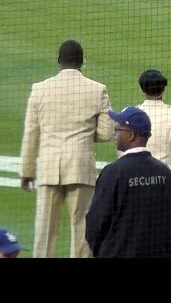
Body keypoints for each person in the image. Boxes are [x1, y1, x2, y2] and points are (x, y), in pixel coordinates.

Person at [20, 39, 113, 258]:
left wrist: (26, 172)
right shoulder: (97, 89)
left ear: (58, 61)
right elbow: (107, 133)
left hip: (48, 169)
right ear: (82, 62)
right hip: (81, 168)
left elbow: (31, 133)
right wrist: (85, 137)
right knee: (82, 232)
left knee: (44, 234)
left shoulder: (39, 89)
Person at [86, 107, 171, 258]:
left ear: (131, 135)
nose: (115, 132)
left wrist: (102, 252)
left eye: (118, 128)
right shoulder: (165, 173)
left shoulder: (113, 172)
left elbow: (95, 222)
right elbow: (170, 224)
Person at [138, 69, 171, 258]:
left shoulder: (134, 114)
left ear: (142, 88)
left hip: (139, 178)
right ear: (163, 89)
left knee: (140, 228)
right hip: (167, 179)